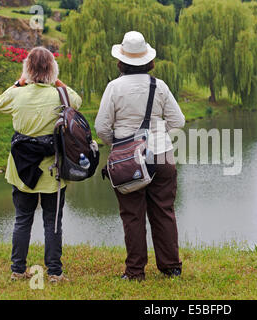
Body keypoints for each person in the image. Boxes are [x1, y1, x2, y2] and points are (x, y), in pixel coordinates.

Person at [95, 31, 185, 281]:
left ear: (121, 61)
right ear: (148, 60)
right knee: (164, 210)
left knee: (132, 215)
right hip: (162, 156)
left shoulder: (114, 88)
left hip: (127, 160)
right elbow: (178, 121)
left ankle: (135, 272)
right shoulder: (160, 86)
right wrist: (157, 136)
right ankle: (171, 267)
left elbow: (102, 127)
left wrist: (121, 145)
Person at [0, 47, 82, 283]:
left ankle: (17, 268)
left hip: (22, 170)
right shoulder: (59, 96)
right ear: (52, 69)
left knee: (22, 218)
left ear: (27, 70)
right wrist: (59, 83)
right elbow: (77, 101)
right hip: (52, 170)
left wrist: (18, 83)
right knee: (53, 221)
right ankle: (54, 272)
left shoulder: (17, 95)